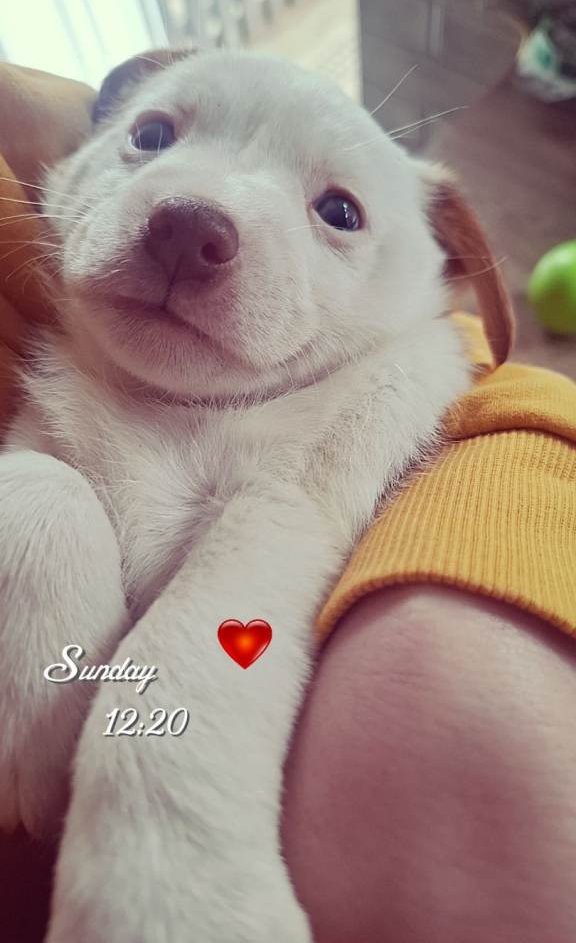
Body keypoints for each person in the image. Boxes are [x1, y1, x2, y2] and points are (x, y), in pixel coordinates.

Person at [1, 61, 575, 943]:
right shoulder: (54, 362)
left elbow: (276, 558)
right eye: (153, 137)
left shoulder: (393, 393)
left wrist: (171, 808)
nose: (193, 217)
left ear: (445, 269)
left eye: (338, 212)